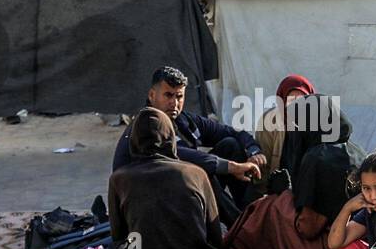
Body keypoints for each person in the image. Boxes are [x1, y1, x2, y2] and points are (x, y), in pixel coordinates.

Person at [225, 92, 364, 249]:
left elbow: (308, 228)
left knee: (268, 208)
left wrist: (285, 194)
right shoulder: (356, 151)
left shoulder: (318, 157)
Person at [112, 66, 266, 225]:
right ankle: (241, 227)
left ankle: (251, 213)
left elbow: (232, 133)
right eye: (168, 95)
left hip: (179, 189)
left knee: (230, 145)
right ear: (152, 95)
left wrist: (253, 150)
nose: (174, 103)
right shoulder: (145, 125)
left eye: (179, 96)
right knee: (201, 173)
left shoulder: (184, 121)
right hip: (150, 200)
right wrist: (231, 166)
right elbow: (178, 155)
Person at [106, 108, 223, 249]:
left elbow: (119, 237)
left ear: (133, 139)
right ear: (171, 137)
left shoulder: (120, 179)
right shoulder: (196, 173)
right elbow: (215, 236)